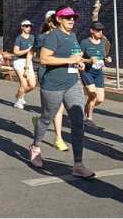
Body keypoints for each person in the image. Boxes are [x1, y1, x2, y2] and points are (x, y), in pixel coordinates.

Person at [29, 6, 94, 178]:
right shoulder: (53, 36)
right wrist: (69, 60)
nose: (71, 20)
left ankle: (78, 164)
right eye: (67, 18)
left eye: (73, 17)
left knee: (78, 121)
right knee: (47, 118)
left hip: (72, 83)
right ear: (58, 19)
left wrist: (80, 61)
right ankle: (35, 146)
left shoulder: (72, 36)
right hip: (53, 85)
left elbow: (74, 55)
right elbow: (43, 59)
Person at [31, 11, 69, 152]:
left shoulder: (67, 37)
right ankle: (42, 122)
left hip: (62, 75)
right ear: (49, 22)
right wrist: (26, 68)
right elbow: (32, 53)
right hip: (46, 74)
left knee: (60, 107)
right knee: (52, 109)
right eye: (54, 22)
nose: (56, 24)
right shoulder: (42, 38)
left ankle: (58, 138)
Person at [79, 22, 112, 129]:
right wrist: (88, 60)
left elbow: (103, 55)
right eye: (98, 30)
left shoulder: (103, 42)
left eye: (102, 30)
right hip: (87, 71)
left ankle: (87, 108)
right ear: (92, 31)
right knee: (93, 95)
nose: (100, 32)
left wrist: (107, 59)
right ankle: (89, 118)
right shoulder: (85, 42)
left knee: (100, 99)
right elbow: (78, 58)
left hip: (98, 72)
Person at [12, 20, 36, 110]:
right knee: (24, 84)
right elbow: (15, 52)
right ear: (22, 27)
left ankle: (20, 94)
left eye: (30, 26)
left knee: (32, 85)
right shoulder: (19, 38)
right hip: (19, 61)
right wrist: (27, 50)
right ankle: (18, 101)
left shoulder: (32, 37)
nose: (28, 28)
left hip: (29, 61)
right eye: (26, 26)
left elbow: (34, 51)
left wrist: (33, 53)